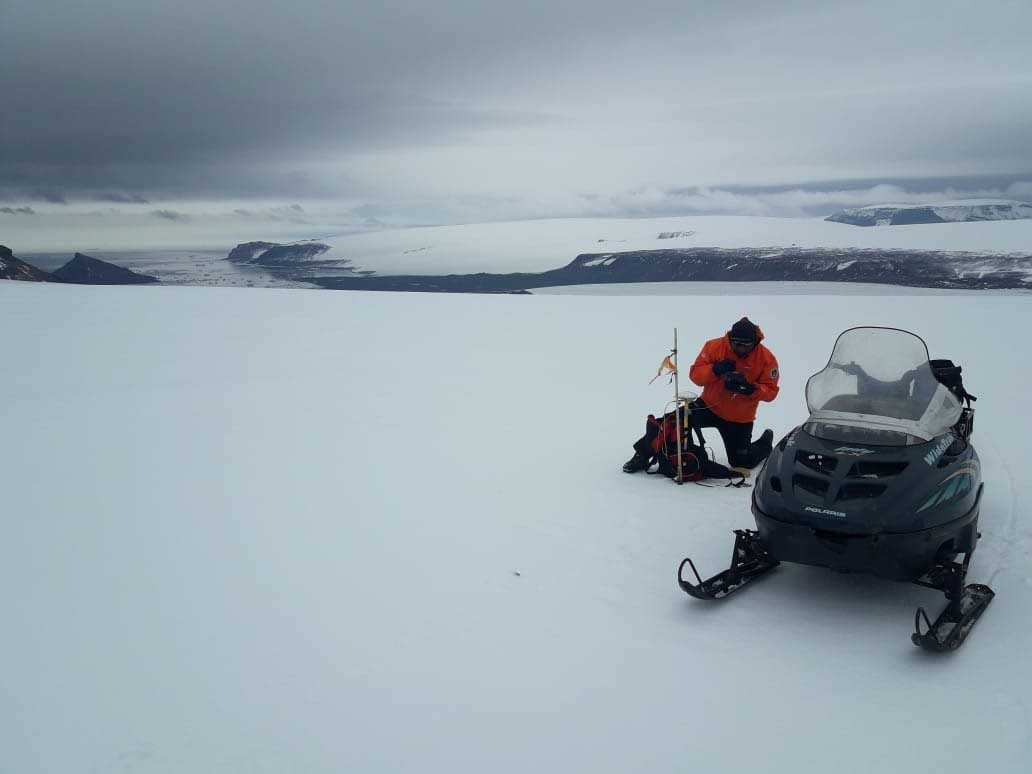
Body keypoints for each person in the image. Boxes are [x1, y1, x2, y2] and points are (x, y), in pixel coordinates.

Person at [623, 317, 779, 473]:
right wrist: (715, 369)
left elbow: (771, 391)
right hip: (709, 406)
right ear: (730, 338)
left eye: (746, 346)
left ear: (755, 343)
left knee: (741, 462)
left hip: (739, 418)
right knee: (673, 420)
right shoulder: (715, 346)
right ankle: (642, 455)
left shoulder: (766, 359)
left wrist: (750, 389)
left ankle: (765, 442)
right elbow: (695, 375)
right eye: (736, 343)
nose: (740, 348)